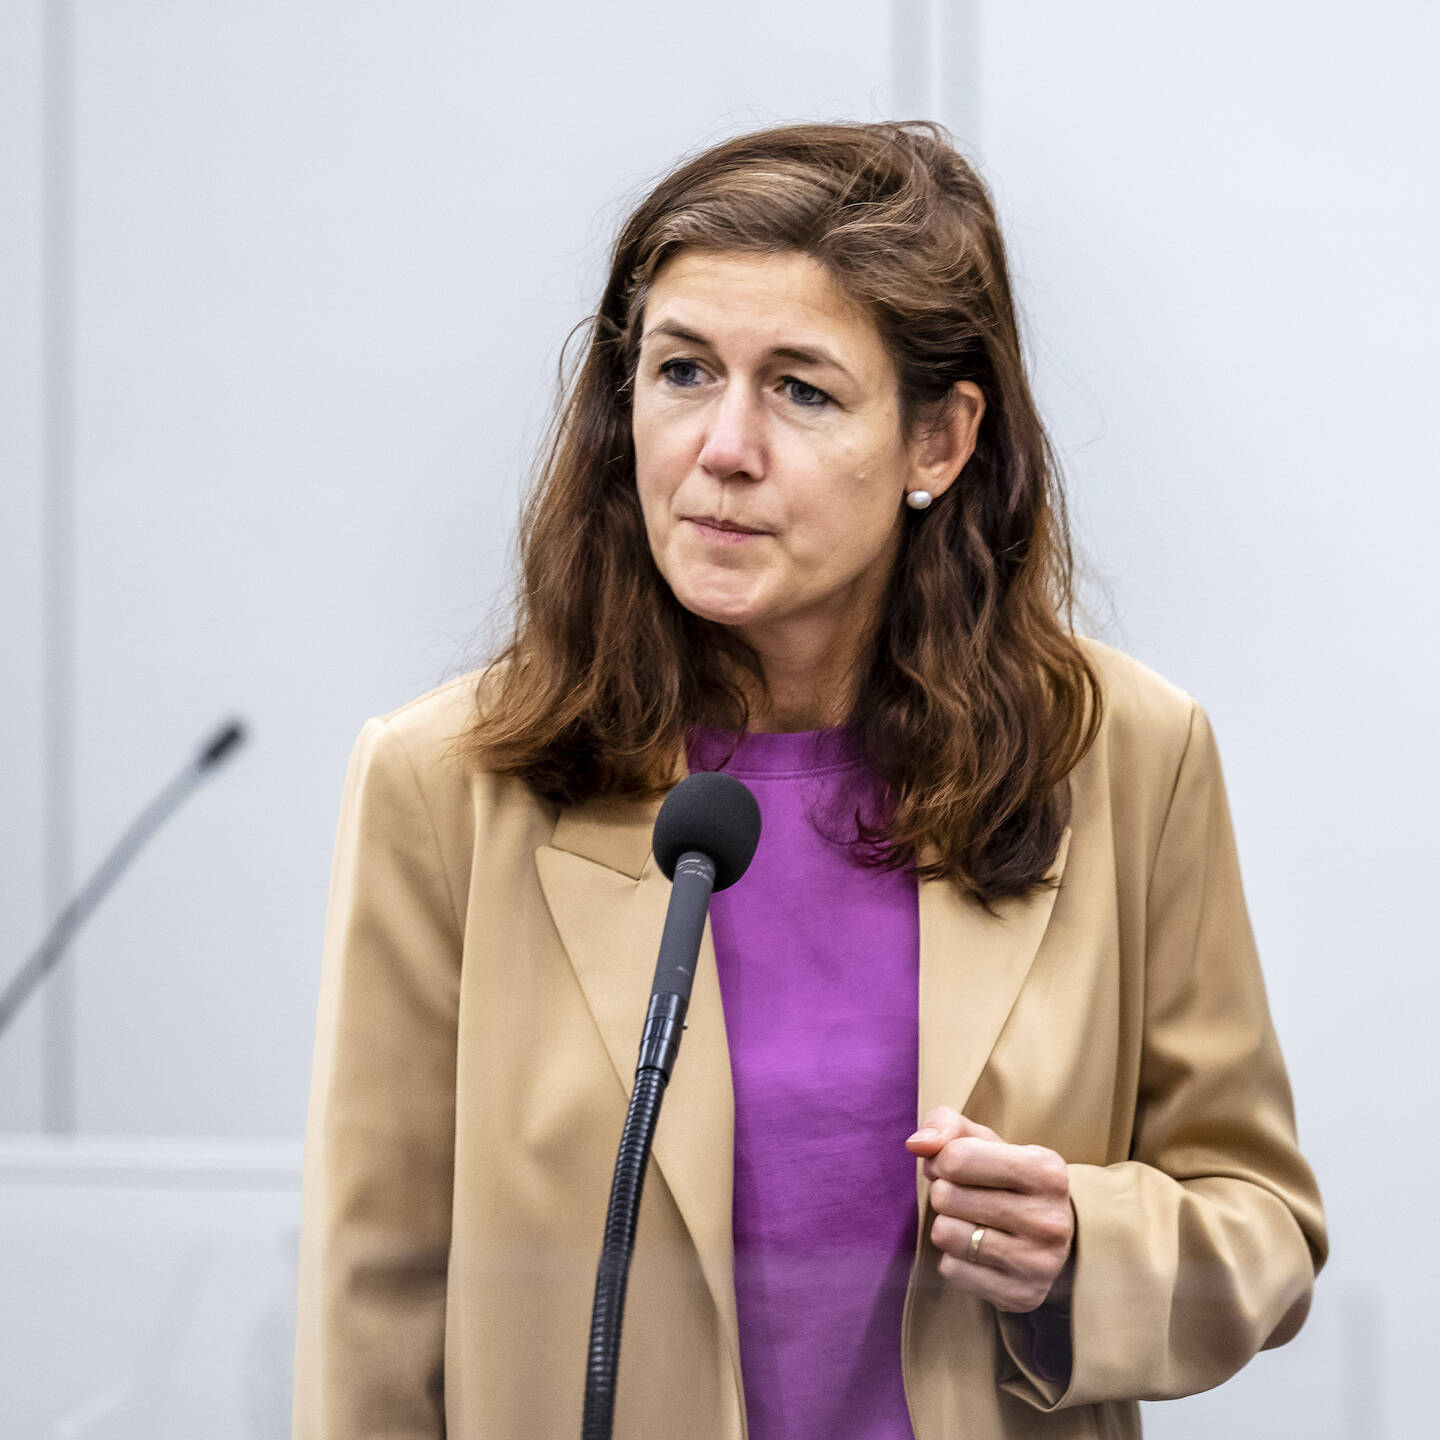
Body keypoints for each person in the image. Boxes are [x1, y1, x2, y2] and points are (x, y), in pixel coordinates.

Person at [292, 120, 1326, 1440]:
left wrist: (1084, 1248)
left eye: (802, 391)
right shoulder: (446, 785)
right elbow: (374, 1307)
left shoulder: (1124, 755)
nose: (722, 447)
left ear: (938, 443)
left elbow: (1262, 1227)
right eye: (682, 372)